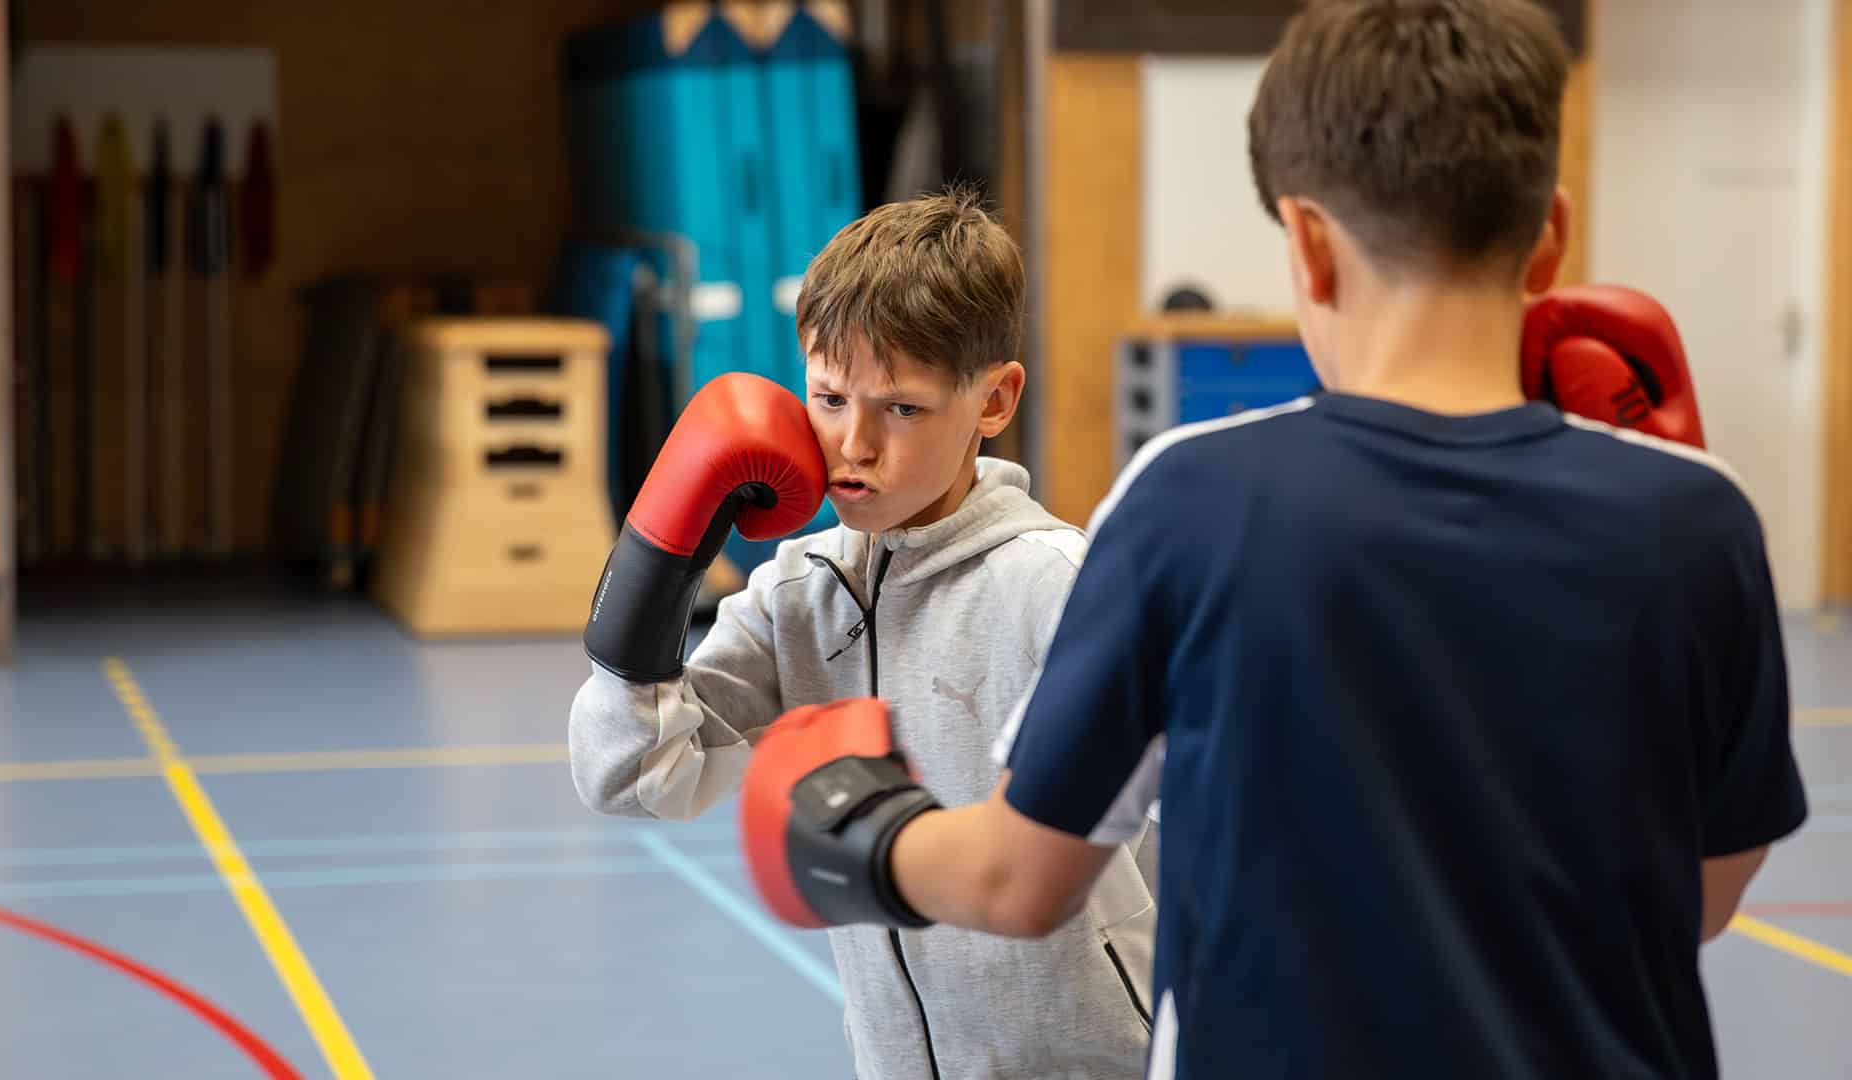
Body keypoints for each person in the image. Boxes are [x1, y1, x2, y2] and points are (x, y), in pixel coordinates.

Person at [736, 2, 1809, 1078]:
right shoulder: (1698, 520)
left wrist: (850, 827)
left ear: (1306, 240)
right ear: (1552, 236)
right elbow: (1706, 896)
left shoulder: (1193, 501)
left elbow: (1018, 881)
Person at [568, 189, 1158, 1080]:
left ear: (994, 400)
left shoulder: (1054, 585)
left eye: (904, 409)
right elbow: (634, 777)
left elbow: (1190, 815)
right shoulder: (801, 593)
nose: (855, 445)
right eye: (830, 397)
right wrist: (656, 573)